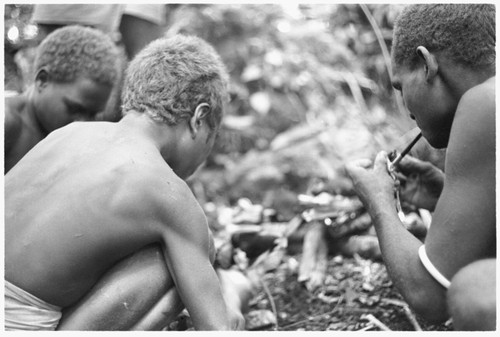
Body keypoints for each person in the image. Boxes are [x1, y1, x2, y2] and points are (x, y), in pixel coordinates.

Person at [5, 34, 245, 331]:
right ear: (199, 117)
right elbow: (216, 328)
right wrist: (229, 301)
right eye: (213, 136)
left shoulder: (66, 134)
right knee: (185, 258)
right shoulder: (169, 193)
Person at [344, 4, 495, 330]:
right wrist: (446, 196)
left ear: (427, 64)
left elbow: (431, 294)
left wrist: (379, 202)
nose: (407, 109)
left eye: (400, 86)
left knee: (474, 289)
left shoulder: (485, 102)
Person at [4, 25, 119, 173]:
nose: (83, 123)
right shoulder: (8, 123)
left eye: (93, 115)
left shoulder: (78, 139)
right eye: (75, 108)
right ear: (42, 80)